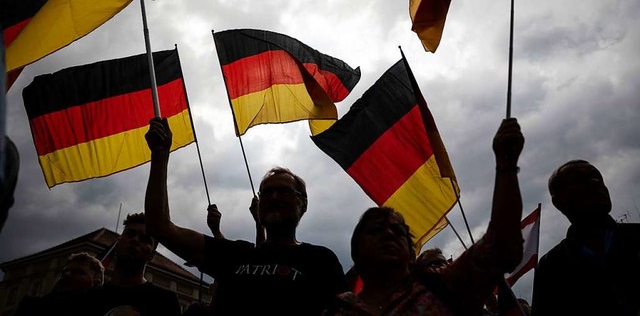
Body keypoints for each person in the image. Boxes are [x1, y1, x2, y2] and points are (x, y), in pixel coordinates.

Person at [144, 117, 348, 316]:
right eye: (266, 193)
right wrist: (160, 156)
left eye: (284, 191)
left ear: (303, 203)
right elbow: (160, 227)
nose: (274, 197)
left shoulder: (321, 261)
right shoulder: (233, 255)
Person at [323, 117, 525, 316]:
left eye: (398, 232)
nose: (388, 233)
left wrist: (505, 165)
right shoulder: (337, 310)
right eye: (375, 230)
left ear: (411, 255)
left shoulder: (444, 286)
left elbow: (501, 243)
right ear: (355, 252)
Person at [531, 160, 640, 316]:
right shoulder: (551, 266)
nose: (596, 183)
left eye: (598, 178)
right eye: (580, 180)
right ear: (558, 202)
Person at [83, 212, 181, 316]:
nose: (135, 240)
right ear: (117, 243)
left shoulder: (165, 302)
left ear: (152, 255)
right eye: (130, 234)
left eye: (145, 239)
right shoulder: (89, 299)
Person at [15, 252, 104, 316]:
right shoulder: (31, 306)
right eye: (65, 271)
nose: (67, 275)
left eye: (77, 272)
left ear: (96, 281)